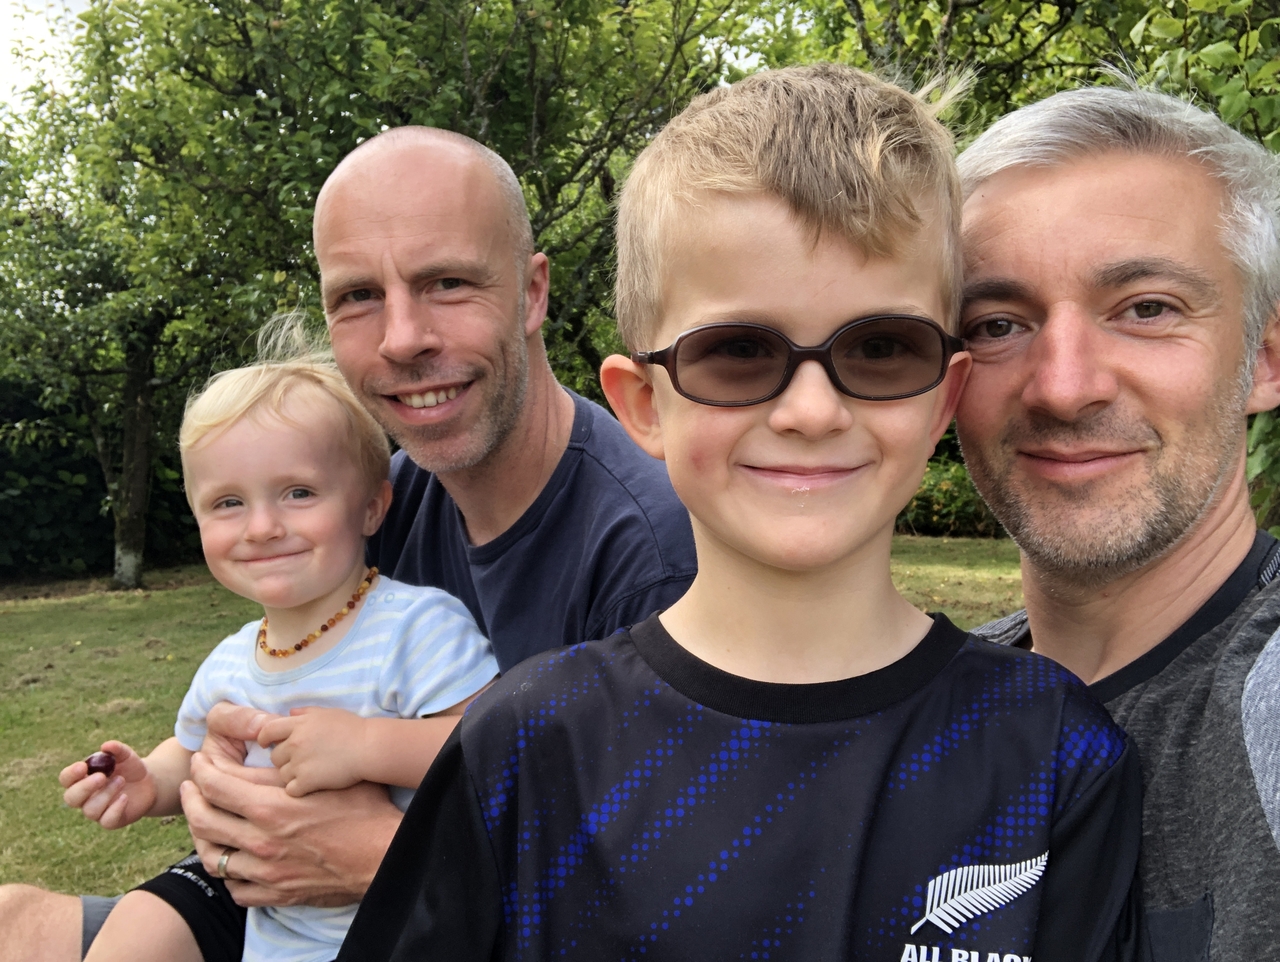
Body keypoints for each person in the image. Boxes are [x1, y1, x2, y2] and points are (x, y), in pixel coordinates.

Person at [334, 64, 1145, 962]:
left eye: (881, 348)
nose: (812, 410)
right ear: (644, 405)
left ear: (943, 399)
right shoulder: (528, 747)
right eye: (738, 352)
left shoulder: (1053, 755)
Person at [0, 131, 696, 961]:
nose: (402, 338)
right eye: (359, 295)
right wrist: (219, 808)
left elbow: (666, 907)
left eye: (447, 282)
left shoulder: (652, 559)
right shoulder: (380, 504)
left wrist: (381, 858)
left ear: (531, 292)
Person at [955, 86, 1280, 960]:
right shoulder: (921, 710)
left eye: (1147, 309)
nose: (1064, 388)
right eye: (997, 324)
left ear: (1265, 359)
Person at [62, 353, 498, 962]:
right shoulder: (229, 661)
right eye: (227, 503)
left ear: (372, 507)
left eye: (298, 493)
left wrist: (367, 746)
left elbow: (494, 749)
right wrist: (148, 783)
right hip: (276, 945)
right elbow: (190, 754)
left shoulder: (417, 628)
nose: (262, 526)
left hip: (412, 938)